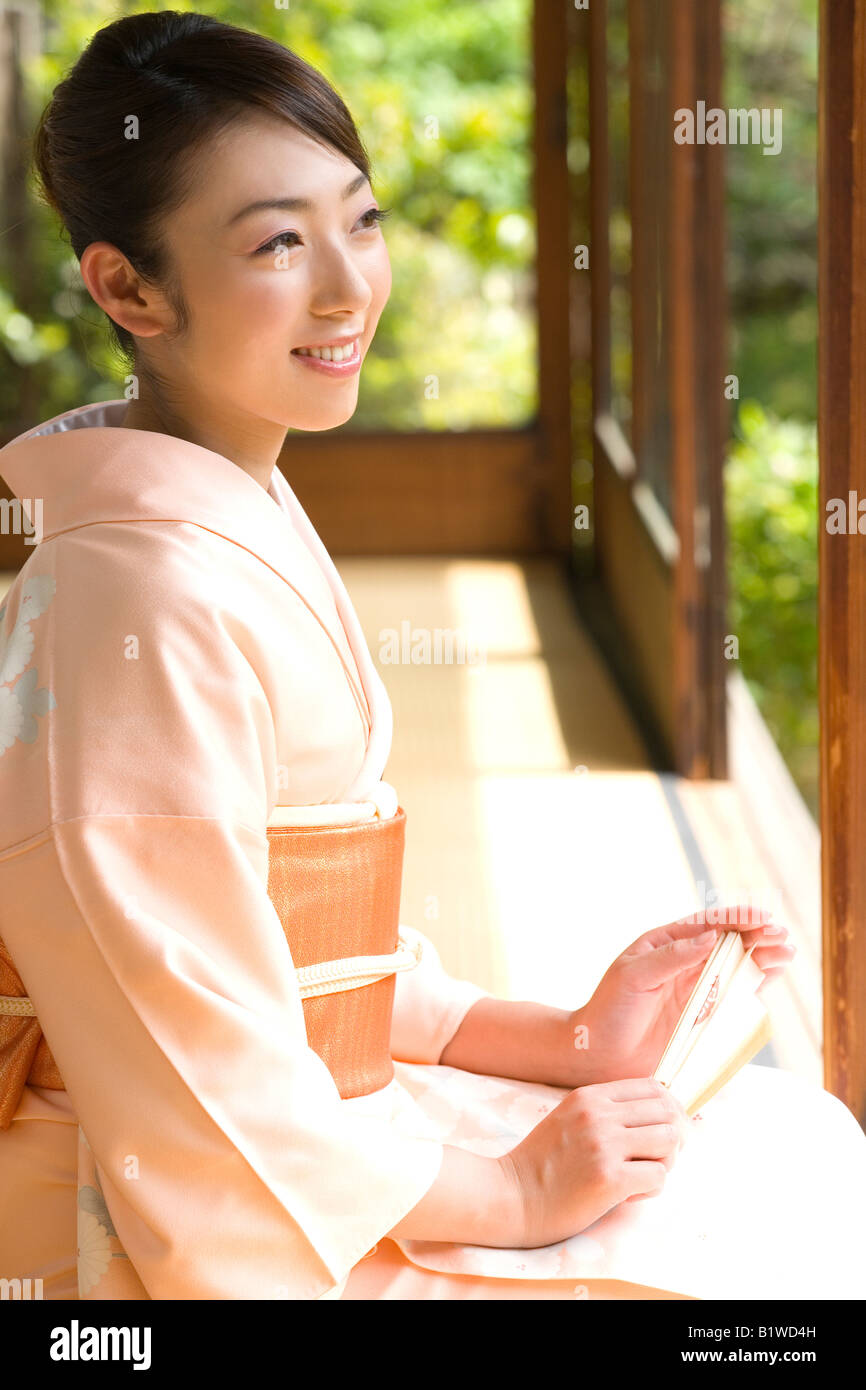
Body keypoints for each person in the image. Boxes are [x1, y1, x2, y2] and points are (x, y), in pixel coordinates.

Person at [1, 10, 864, 1303]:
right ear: (127, 286)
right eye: (278, 243)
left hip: (304, 1136)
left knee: (794, 1148)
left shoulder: (216, 510)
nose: (347, 287)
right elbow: (191, 1053)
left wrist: (554, 1039)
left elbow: (278, 936)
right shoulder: (137, 595)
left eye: (359, 219)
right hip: (155, 1206)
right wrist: (509, 1190)